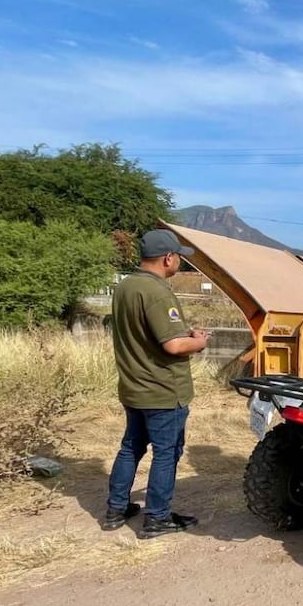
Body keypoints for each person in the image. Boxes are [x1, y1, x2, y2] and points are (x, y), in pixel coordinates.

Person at [104, 229, 208, 538]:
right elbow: (173, 346)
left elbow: (147, 334)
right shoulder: (158, 292)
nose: (179, 263)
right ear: (168, 258)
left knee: (130, 447)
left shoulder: (126, 287)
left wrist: (181, 335)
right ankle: (158, 518)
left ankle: (116, 509)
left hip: (133, 387)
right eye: (178, 257)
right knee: (167, 452)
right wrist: (199, 342)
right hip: (163, 391)